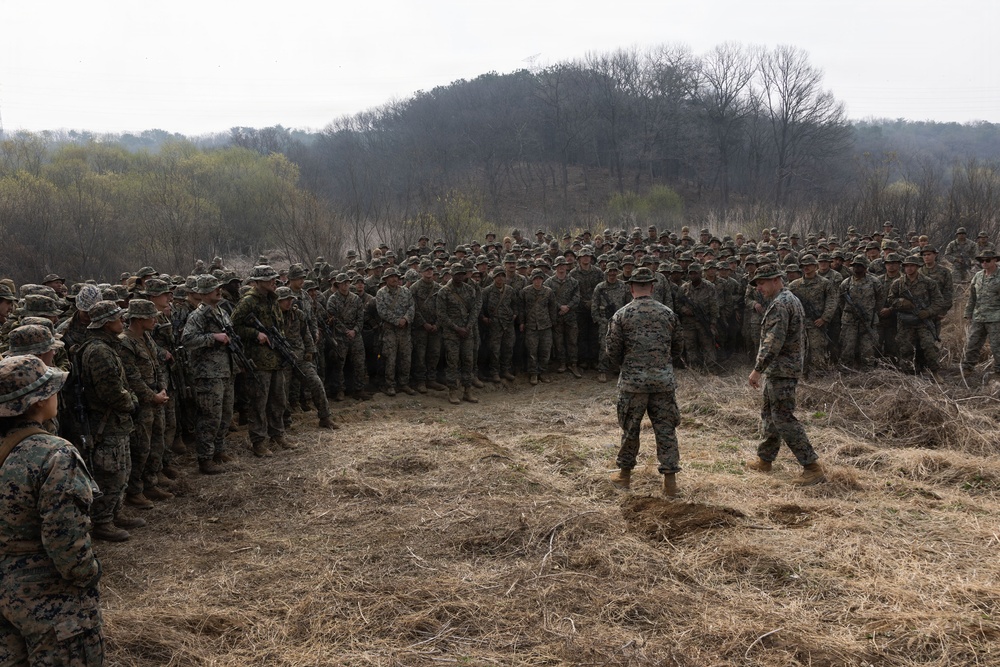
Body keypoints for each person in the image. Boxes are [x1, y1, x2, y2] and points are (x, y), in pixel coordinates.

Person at [0, 355, 104, 665]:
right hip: (49, 596)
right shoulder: (55, 454)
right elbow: (66, 542)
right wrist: (89, 574)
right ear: (38, 401)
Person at [606, 267, 684, 496]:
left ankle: (624, 476)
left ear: (631, 288)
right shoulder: (668, 314)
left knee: (630, 430)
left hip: (633, 384)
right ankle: (670, 483)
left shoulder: (621, 315)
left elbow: (612, 351)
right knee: (666, 430)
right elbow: (678, 347)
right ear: (652, 287)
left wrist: (627, 365)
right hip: (662, 383)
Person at [746, 264, 825, 486]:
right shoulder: (788, 299)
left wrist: (757, 370)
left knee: (783, 418)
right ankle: (765, 459)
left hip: (782, 370)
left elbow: (773, 343)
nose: (759, 288)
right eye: (757, 284)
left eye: (762, 283)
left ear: (776, 280)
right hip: (780, 369)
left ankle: (812, 467)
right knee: (770, 415)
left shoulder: (780, 304)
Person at [79, 300, 140, 541]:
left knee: (121, 470)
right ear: (106, 323)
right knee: (110, 472)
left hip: (115, 421)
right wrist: (132, 402)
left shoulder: (106, 346)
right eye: (117, 318)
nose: (122, 321)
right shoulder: (99, 352)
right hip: (106, 423)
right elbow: (111, 392)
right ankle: (103, 521)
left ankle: (115, 512)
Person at [180, 275, 237, 474]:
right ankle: (205, 458)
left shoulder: (222, 312)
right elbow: (187, 339)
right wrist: (213, 337)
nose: (219, 291)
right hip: (208, 373)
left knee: (225, 414)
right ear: (204, 293)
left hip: (225, 370)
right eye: (214, 289)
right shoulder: (198, 315)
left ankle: (219, 450)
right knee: (209, 417)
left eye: (219, 287)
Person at [962, 249, 1000, 383]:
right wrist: (968, 313)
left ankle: (998, 372)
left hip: (996, 318)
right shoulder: (978, 276)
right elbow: (972, 297)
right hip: (979, 316)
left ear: (995, 260)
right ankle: (967, 369)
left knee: (997, 346)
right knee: (972, 343)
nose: (984, 263)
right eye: (981, 261)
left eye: (987, 260)